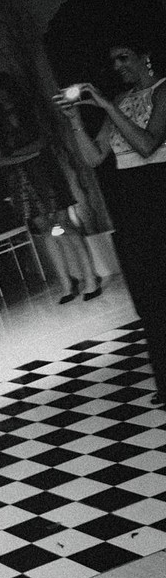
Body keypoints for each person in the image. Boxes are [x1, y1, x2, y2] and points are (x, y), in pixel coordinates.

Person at [56, 38, 166, 403]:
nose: (118, 66)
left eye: (124, 58)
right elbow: (94, 157)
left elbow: (147, 144)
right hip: (133, 203)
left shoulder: (163, 91)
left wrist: (104, 103)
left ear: (145, 58)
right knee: (149, 295)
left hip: (159, 191)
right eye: (113, 61)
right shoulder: (119, 103)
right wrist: (75, 121)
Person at [0, 75, 99, 303]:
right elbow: (0, 159)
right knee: (45, 229)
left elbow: (45, 141)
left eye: (2, 90)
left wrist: (19, 155)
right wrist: (26, 155)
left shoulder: (30, 110)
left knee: (64, 223)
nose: (0, 95)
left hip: (46, 173)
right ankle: (67, 283)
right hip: (22, 180)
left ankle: (90, 278)